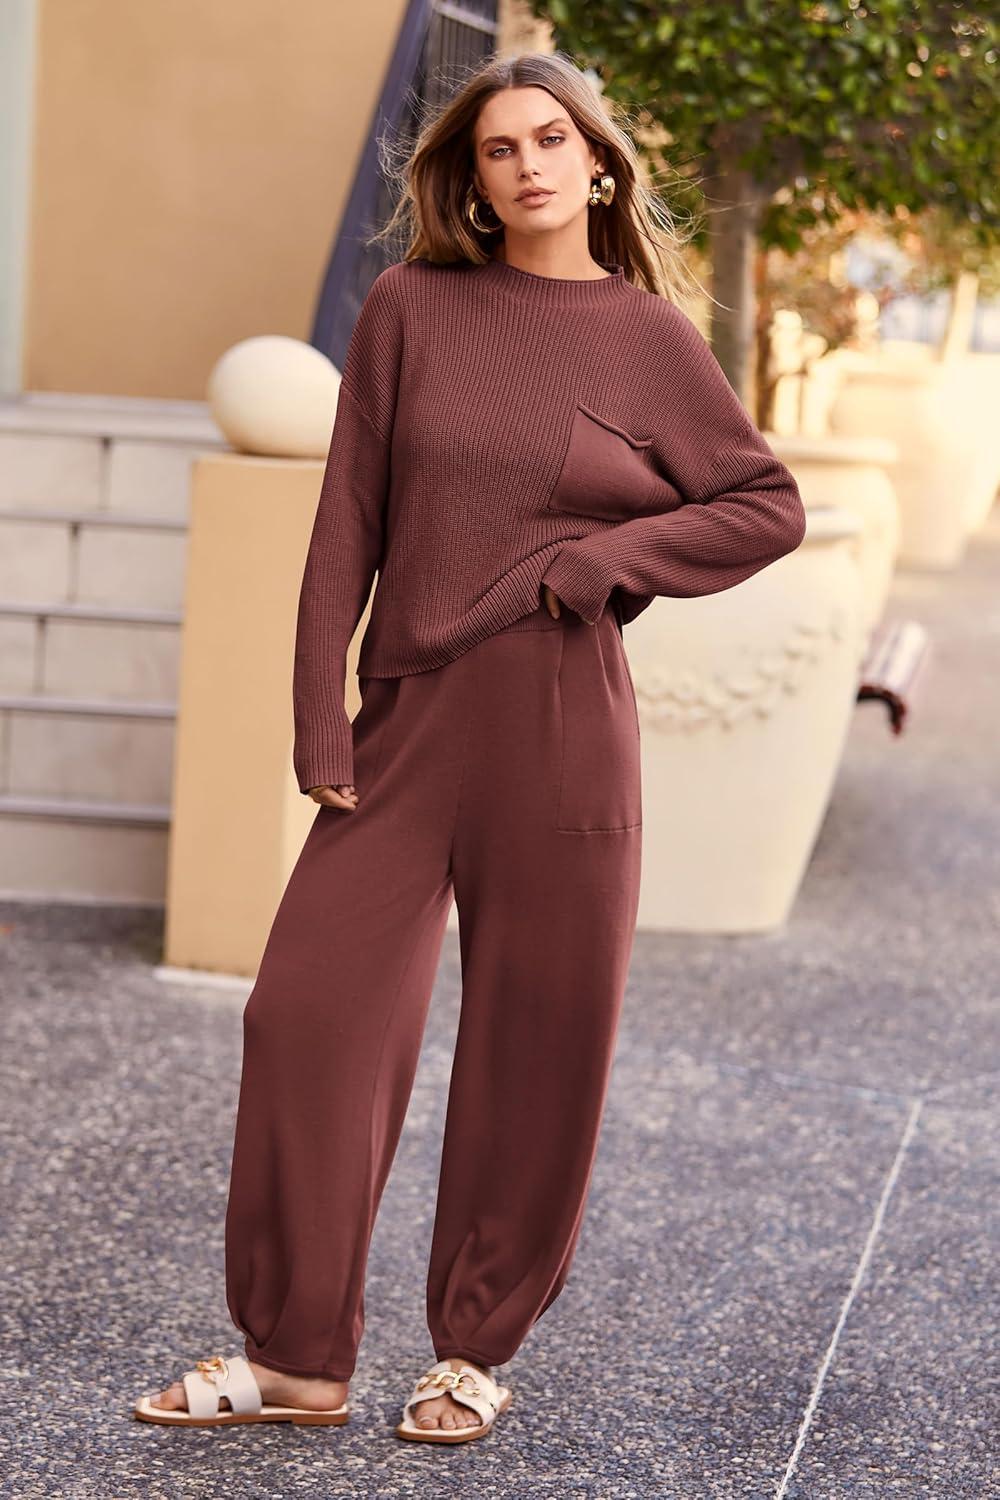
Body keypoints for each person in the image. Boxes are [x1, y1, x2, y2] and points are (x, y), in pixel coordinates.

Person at [135, 49, 806, 1441]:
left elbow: (762, 504)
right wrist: (320, 704)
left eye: (551, 140)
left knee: (537, 1036)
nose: (528, 166)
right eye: (500, 149)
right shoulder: (410, 308)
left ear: (599, 163)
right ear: (474, 179)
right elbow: (349, 519)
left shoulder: (646, 338)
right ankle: (296, 1358)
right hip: (411, 718)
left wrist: (604, 561)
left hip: (562, 717)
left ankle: (472, 1353)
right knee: (305, 1012)